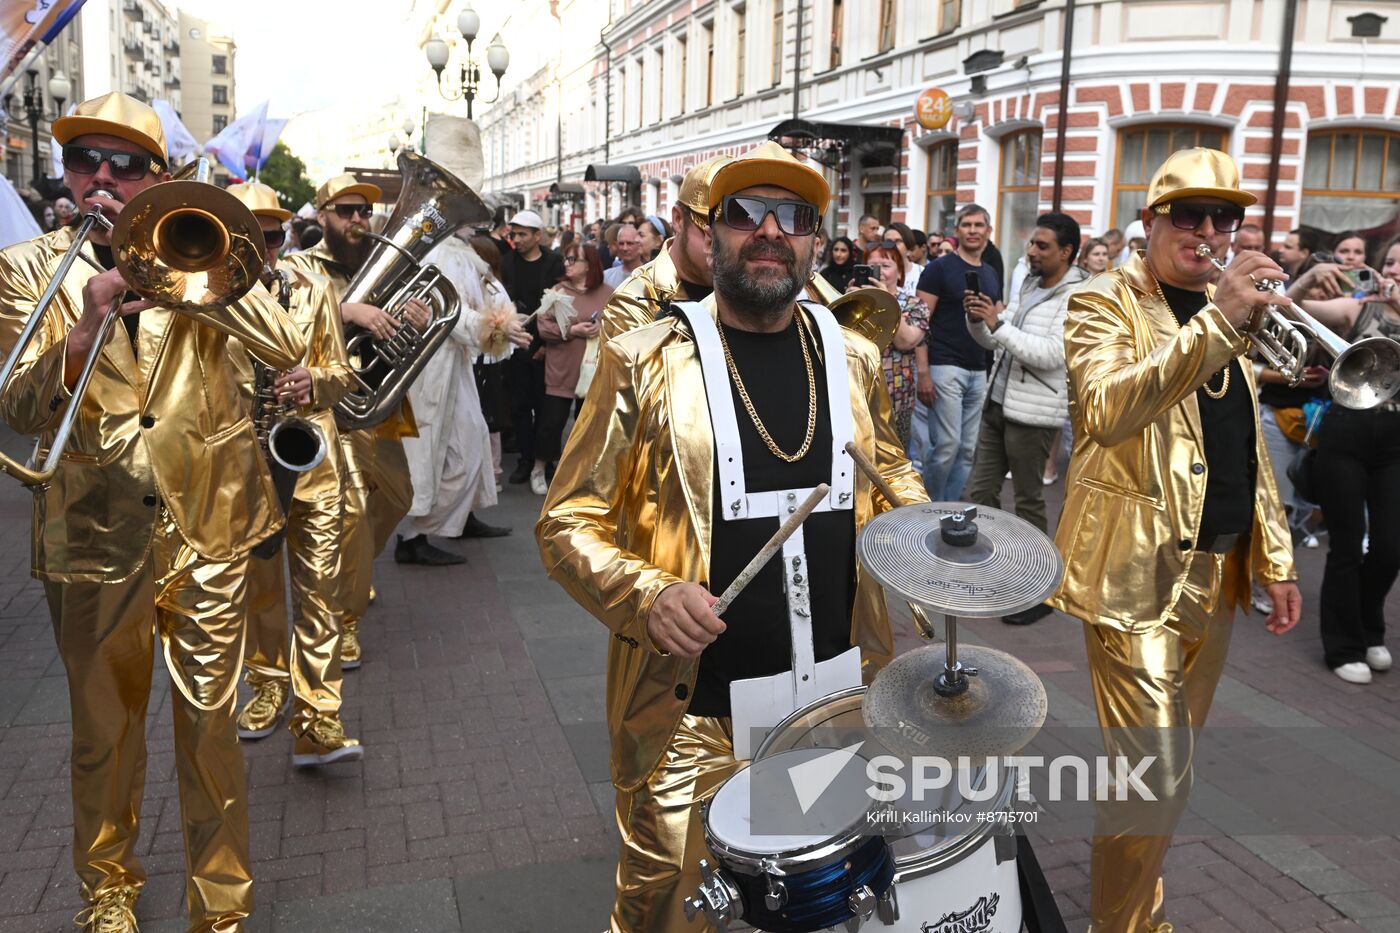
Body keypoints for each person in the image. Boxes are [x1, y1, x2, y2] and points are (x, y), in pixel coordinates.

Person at [537, 140, 926, 933]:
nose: (772, 230)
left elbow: (889, 472)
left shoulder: (851, 355)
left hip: (832, 704)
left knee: (818, 907)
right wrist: (646, 594)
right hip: (691, 714)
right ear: (707, 233)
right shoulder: (643, 359)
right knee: (666, 914)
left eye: (796, 216)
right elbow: (566, 518)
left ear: (818, 239)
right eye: (748, 212)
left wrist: (934, 547)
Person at [0, 92, 307, 931]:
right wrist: (83, 325)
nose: (102, 177)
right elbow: (20, 407)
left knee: (210, 727)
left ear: (158, 178)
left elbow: (288, 348)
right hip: (91, 539)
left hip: (207, 530)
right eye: (85, 161)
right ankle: (106, 893)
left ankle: (222, 904)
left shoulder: (203, 254)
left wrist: (191, 274)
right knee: (104, 737)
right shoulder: (26, 269)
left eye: (126, 164)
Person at [1054, 148, 1300, 933]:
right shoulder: (1102, 301)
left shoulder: (1231, 316)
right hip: (1134, 574)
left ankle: (1138, 912)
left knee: (1170, 776)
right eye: (1188, 214)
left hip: (1218, 574)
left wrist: (1277, 557)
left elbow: (1247, 446)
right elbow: (1107, 408)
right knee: (1150, 777)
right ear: (1152, 220)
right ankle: (1120, 926)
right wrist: (1221, 322)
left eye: (1222, 217)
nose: (1206, 230)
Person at [224, 181, 365, 767]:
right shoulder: (204, 297)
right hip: (243, 465)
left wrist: (316, 380)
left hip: (312, 458)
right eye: (249, 236)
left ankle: (319, 715)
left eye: (273, 234)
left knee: (321, 593)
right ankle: (267, 685)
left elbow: (342, 371)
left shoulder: (311, 289)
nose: (264, 247)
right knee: (258, 592)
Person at [282, 173, 433, 666]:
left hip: (374, 407)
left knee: (397, 499)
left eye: (364, 211)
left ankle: (352, 572)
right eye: (345, 211)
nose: (357, 220)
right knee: (351, 517)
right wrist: (347, 312)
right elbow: (285, 327)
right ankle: (344, 621)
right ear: (322, 215)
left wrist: (416, 318)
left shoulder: (381, 262)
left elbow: (399, 332)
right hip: (325, 410)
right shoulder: (298, 267)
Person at [965, 213, 1088, 624]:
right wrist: (978, 320)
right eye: (1032, 244)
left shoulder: (1078, 296)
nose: (1032, 251)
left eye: (1042, 246)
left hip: (1034, 414)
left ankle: (1038, 590)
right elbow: (998, 340)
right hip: (998, 403)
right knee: (980, 493)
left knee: (1029, 502)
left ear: (1066, 252)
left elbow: (1052, 354)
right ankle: (992, 572)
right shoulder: (1033, 284)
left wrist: (997, 324)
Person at [1288, 236, 1400, 683]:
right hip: (1346, 437)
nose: (1393, 271)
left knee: (1391, 547)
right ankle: (1343, 645)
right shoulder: (1358, 309)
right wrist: (1308, 279)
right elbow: (1288, 308)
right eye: (1390, 262)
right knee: (1348, 544)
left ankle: (1370, 628)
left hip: (1395, 446)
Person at [915, 203, 1003, 500]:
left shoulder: (990, 273)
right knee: (946, 446)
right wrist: (923, 371)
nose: (973, 230)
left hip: (979, 368)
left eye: (979, 225)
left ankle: (949, 509)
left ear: (988, 232)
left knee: (967, 449)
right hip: (944, 365)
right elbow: (919, 322)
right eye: (967, 225)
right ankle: (927, 507)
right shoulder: (938, 269)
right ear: (957, 231)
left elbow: (999, 320)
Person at [599, 155, 730, 342]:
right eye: (708, 230)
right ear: (678, 219)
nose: (720, 246)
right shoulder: (634, 301)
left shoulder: (741, 284)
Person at [533, 243, 611, 491]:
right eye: (566, 259)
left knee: (588, 425)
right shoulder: (557, 292)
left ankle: (583, 473)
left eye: (572, 259)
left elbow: (620, 326)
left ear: (588, 265)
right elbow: (543, 327)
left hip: (593, 371)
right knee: (551, 423)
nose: (566, 263)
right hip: (562, 369)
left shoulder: (608, 292)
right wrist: (571, 330)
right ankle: (539, 469)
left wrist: (603, 329)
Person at [499, 208, 565, 487]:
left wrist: (545, 345)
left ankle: (545, 458)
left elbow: (560, 305)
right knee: (520, 406)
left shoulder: (554, 263)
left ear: (538, 236)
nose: (517, 239)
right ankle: (526, 460)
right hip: (515, 344)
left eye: (523, 234)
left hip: (545, 346)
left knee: (546, 407)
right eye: (514, 234)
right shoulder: (507, 262)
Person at [859, 241, 929, 451]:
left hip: (896, 397)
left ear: (899, 272)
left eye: (885, 266)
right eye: (872, 266)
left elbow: (906, 341)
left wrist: (886, 301)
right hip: (858, 394)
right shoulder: (852, 298)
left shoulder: (914, 304)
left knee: (894, 459)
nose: (879, 272)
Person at [603, 221, 643, 288]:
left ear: (639, 244)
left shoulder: (650, 276)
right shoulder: (606, 277)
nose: (625, 248)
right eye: (621, 243)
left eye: (630, 243)